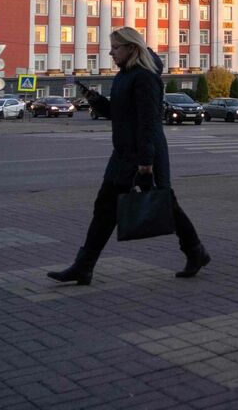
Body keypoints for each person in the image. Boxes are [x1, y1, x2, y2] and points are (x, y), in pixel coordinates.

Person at [47, 26, 210, 284]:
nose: (111, 52)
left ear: (131, 48)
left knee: (164, 204)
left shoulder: (145, 77)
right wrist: (95, 99)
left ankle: (195, 251)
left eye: (115, 47)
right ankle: (84, 266)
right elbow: (120, 113)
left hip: (144, 153)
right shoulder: (124, 75)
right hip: (123, 152)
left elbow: (148, 122)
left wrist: (146, 164)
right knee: (105, 208)